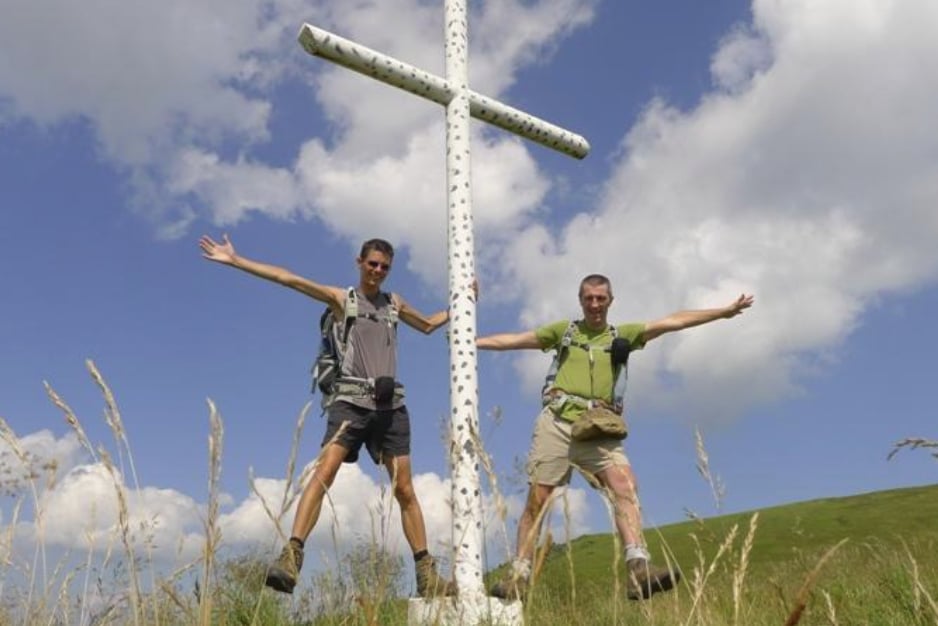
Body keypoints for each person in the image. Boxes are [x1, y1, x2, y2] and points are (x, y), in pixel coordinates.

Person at [200, 234, 460, 597]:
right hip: (350, 404)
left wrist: (463, 300)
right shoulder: (343, 299)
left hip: (390, 408)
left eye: (384, 267)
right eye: (372, 264)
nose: (378, 271)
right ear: (359, 262)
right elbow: (289, 279)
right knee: (324, 472)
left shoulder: (394, 303)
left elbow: (430, 325)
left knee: (404, 488)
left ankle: (427, 574)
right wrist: (237, 260)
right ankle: (291, 557)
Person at [476, 274, 754, 601]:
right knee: (539, 499)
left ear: (610, 301)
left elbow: (673, 321)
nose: (595, 304)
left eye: (601, 299)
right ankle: (518, 576)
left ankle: (638, 569)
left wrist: (722, 312)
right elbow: (516, 340)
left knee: (625, 486)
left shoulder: (621, 335)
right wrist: (471, 341)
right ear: (581, 300)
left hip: (598, 427)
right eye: (589, 298)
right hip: (558, 421)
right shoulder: (564, 332)